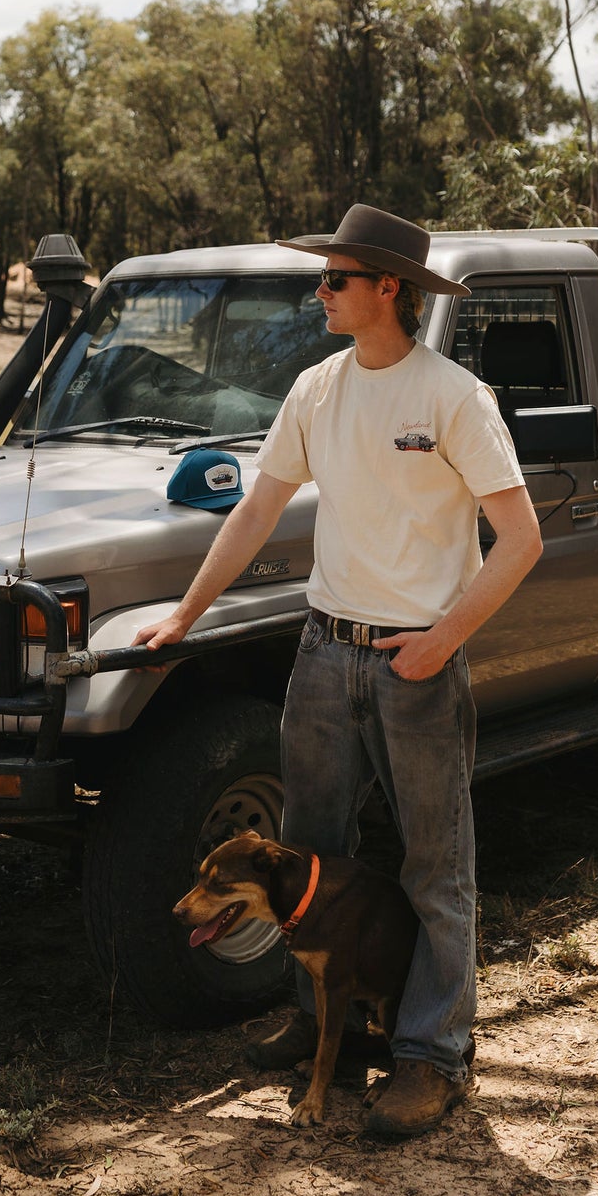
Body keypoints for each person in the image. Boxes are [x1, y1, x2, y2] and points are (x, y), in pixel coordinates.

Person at [135, 204, 543, 1141]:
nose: (317, 293)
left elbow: (520, 538)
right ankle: (325, 1025)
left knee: (435, 866)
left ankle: (431, 1057)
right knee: (307, 856)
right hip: (323, 652)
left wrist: (442, 638)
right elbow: (255, 511)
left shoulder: (453, 398)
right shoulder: (315, 389)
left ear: (386, 289)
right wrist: (186, 613)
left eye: (333, 280)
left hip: (415, 663)